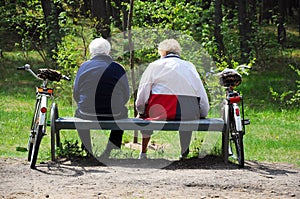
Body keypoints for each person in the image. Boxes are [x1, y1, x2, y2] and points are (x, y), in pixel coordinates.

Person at [135, 39, 210, 159]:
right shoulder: (190, 66)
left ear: (162, 52)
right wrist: (203, 112)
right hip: (188, 113)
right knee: (186, 114)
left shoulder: (154, 66)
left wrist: (141, 110)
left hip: (160, 111)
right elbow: (200, 91)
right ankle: (184, 152)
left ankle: (143, 153)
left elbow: (143, 92)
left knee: (145, 116)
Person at [73, 37, 130, 159]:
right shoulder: (118, 68)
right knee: (124, 112)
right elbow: (126, 94)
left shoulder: (84, 67)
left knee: (78, 114)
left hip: (86, 112)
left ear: (91, 51)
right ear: (108, 51)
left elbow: (76, 93)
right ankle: (109, 150)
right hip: (115, 112)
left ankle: (88, 149)